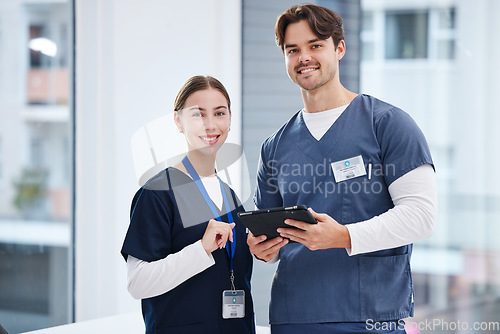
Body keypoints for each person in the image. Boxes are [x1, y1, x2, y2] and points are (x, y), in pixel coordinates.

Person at [247, 4, 437, 334]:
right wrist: (262, 250)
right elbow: (271, 235)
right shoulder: (274, 146)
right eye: (293, 50)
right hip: (294, 316)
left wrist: (345, 236)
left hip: (370, 315)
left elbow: (421, 216)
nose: (303, 57)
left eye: (315, 45)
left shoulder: (388, 125)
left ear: (339, 48)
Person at [121, 75, 255, 334]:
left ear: (229, 119)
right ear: (178, 121)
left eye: (219, 113)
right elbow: (136, 282)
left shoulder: (232, 198)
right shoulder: (157, 193)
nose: (210, 124)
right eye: (198, 114)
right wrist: (201, 249)